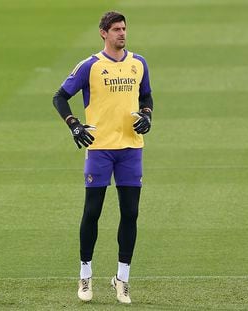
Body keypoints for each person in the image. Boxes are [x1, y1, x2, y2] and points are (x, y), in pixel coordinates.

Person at [52, 11, 153, 304]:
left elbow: (146, 96)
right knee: (92, 212)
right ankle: (85, 274)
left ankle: (122, 279)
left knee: (130, 213)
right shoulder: (91, 66)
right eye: (116, 29)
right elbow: (60, 96)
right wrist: (74, 125)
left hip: (131, 149)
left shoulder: (139, 63)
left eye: (124, 29)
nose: (122, 33)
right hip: (99, 148)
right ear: (103, 33)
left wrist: (147, 115)